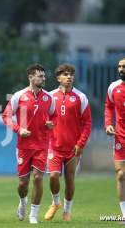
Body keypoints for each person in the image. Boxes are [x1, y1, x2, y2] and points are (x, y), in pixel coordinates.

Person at [2, 64, 55, 224]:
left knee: (38, 178)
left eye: (44, 76)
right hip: (24, 147)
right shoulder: (19, 96)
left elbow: (54, 116)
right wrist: (19, 129)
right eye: (40, 76)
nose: (43, 78)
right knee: (23, 183)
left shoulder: (49, 97)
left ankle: (33, 215)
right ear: (30, 77)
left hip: (42, 146)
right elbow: (6, 116)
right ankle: (23, 202)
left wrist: (51, 123)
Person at [44, 64, 91, 222]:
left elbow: (87, 123)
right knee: (53, 176)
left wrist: (81, 143)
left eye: (71, 74)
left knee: (70, 180)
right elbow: (43, 120)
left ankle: (67, 211)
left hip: (73, 148)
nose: (69, 77)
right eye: (65, 74)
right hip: (54, 146)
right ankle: (56, 203)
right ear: (58, 78)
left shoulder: (81, 97)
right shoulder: (49, 97)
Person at [105, 57, 125, 219]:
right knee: (120, 174)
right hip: (120, 137)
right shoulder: (113, 87)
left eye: (124, 67)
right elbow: (108, 106)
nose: (121, 69)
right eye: (119, 66)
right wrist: (107, 124)